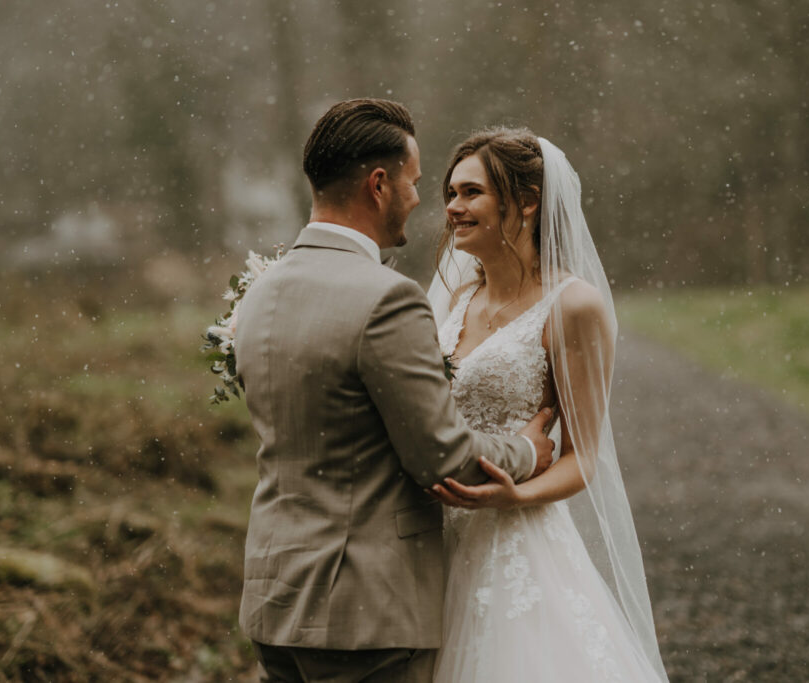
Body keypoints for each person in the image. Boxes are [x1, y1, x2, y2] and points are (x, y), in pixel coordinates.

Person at [234, 100, 557, 683]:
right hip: (362, 611)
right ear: (378, 184)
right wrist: (529, 451)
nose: (418, 199)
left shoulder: (261, 294)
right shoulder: (386, 298)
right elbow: (442, 457)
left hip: (273, 600)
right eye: (411, 183)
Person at [426, 128, 669, 682]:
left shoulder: (571, 305)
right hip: (433, 535)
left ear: (528, 201)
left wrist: (515, 495)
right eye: (451, 193)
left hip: (513, 541)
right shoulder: (457, 298)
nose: (452, 208)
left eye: (471, 193)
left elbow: (585, 455)